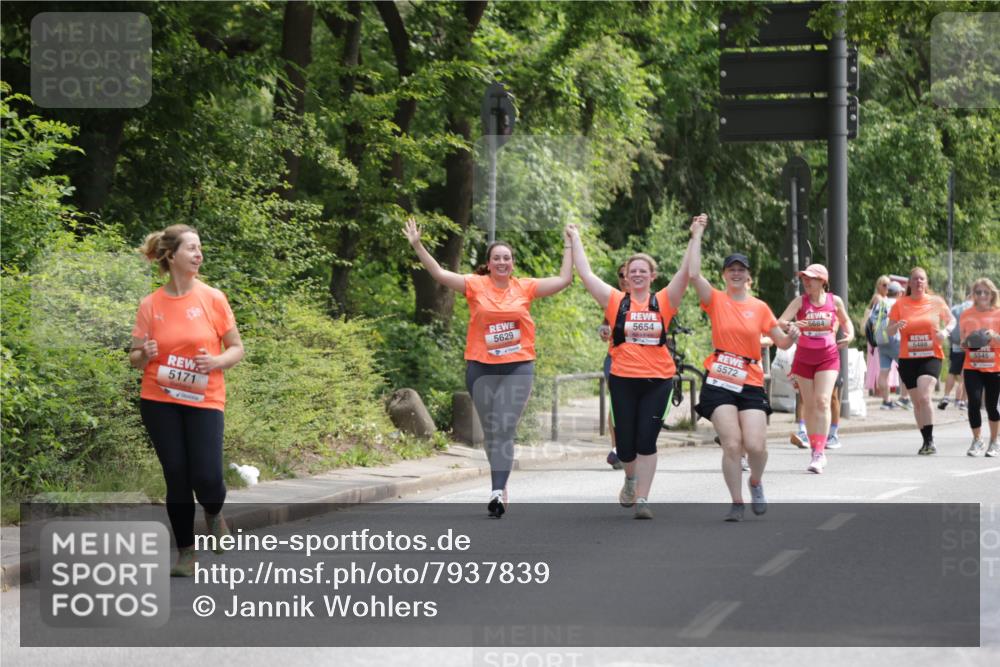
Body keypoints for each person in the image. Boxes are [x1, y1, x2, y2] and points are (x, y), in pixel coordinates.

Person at [403, 217, 573, 518]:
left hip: (518, 365)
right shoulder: (475, 285)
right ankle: (500, 480)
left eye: (507, 258)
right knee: (492, 433)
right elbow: (440, 274)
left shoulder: (525, 287)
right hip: (481, 367)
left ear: (513, 263)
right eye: (497, 258)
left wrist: (570, 245)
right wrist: (417, 245)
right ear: (489, 263)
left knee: (504, 427)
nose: (502, 262)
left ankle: (496, 491)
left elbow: (563, 281)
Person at [569, 215, 706, 519]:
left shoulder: (664, 301)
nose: (639, 275)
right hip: (623, 380)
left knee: (647, 440)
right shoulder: (616, 301)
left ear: (652, 275)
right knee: (626, 447)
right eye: (633, 272)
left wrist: (695, 235)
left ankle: (643, 499)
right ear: (627, 278)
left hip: (658, 381)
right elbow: (587, 274)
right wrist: (575, 238)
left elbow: (687, 272)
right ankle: (630, 479)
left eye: (644, 271)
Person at [130, 225, 245, 577]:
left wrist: (216, 362)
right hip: (159, 398)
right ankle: (185, 555)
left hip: (204, 397)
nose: (199, 254)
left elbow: (236, 348)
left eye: (200, 248)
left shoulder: (213, 298)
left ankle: (213, 512)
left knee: (206, 476)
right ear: (171, 256)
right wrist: (144, 353)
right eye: (192, 248)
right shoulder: (151, 304)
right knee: (177, 475)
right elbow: (135, 357)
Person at [692, 252, 798, 521]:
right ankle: (737, 503)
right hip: (720, 379)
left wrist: (792, 336)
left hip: (750, 379)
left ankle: (755, 482)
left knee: (755, 446)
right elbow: (693, 274)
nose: (736, 273)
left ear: (748, 275)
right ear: (724, 274)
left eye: (741, 269)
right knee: (732, 444)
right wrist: (696, 234)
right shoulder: (716, 299)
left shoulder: (760, 307)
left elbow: (781, 343)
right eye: (731, 269)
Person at [777, 264, 854, 473]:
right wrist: (792, 326)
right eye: (804, 278)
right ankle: (814, 449)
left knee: (822, 401)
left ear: (823, 281)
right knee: (809, 406)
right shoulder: (800, 301)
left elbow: (847, 322)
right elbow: (780, 321)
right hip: (803, 358)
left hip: (827, 357)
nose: (806, 282)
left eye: (811, 278)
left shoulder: (834, 301)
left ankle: (820, 452)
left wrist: (851, 335)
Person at [886, 267, 956, 455]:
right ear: (909, 283)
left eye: (922, 279)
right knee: (917, 403)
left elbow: (952, 321)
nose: (918, 282)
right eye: (915, 279)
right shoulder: (900, 304)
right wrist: (895, 327)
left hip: (931, 355)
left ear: (926, 283)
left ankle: (931, 441)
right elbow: (889, 331)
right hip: (908, 359)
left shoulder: (936, 302)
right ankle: (925, 441)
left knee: (925, 396)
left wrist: (945, 332)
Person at [958, 278, 1000, 457]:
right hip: (972, 366)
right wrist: (966, 343)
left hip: (994, 366)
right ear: (973, 295)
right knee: (973, 403)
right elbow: (961, 342)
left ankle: (994, 441)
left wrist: (994, 336)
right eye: (978, 292)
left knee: (992, 406)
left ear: (992, 294)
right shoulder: (966, 314)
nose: (982, 295)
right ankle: (977, 440)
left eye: (986, 292)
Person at [598, 264, 629, 470]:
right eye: (621, 276)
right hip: (614, 358)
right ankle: (616, 449)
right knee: (616, 403)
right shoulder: (613, 299)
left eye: (629, 274)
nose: (625, 279)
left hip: (640, 363)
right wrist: (603, 330)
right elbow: (605, 325)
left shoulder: (650, 300)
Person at [940, 285, 974, 410]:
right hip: (971, 345)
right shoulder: (976, 309)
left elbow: (949, 325)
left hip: (956, 345)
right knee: (966, 373)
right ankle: (961, 401)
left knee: (953, 371)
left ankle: (946, 396)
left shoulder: (955, 308)